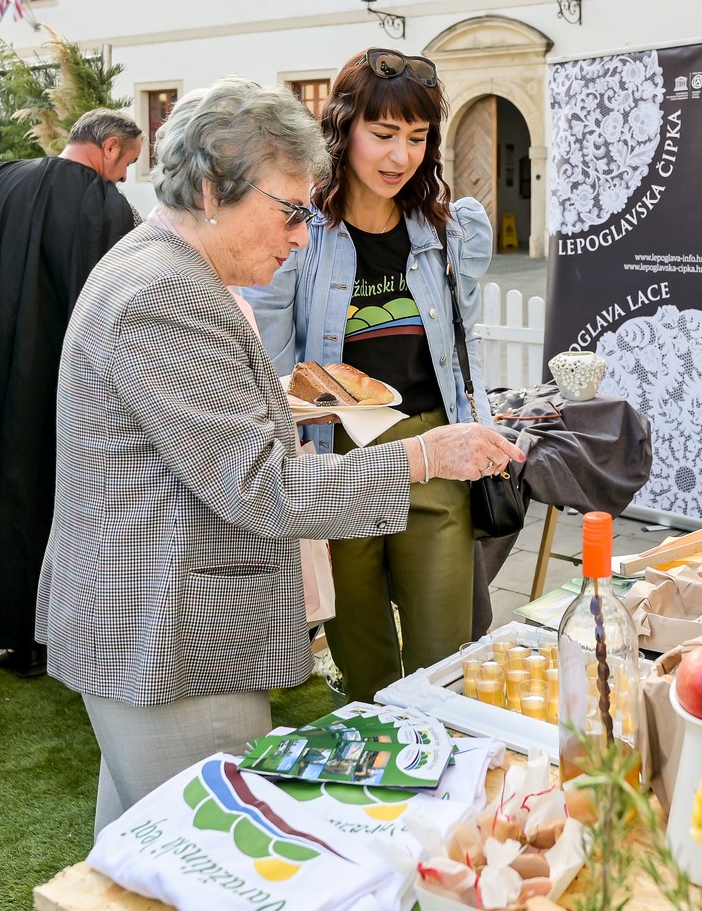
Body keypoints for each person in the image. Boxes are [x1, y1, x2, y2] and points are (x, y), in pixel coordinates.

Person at [35, 77, 523, 834]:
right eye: (290, 212)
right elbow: (259, 485)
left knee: (140, 853)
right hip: (174, 640)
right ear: (208, 190)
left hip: (166, 626)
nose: (301, 236)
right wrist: (422, 456)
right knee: (213, 850)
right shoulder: (167, 295)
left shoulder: (168, 271)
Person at [241, 48, 499, 704]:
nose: (400, 156)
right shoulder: (303, 237)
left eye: (417, 138)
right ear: (343, 129)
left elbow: (459, 352)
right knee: (366, 669)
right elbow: (273, 366)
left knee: (445, 660)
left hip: (433, 456)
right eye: (383, 135)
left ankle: (443, 783)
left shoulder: (444, 232)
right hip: (339, 462)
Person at [0, 108, 143, 678]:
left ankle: (14, 640)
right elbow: (123, 304)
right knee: (51, 502)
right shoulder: (105, 207)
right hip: (59, 387)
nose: (123, 177)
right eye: (126, 163)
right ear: (109, 147)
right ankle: (57, 637)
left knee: (0, 493)